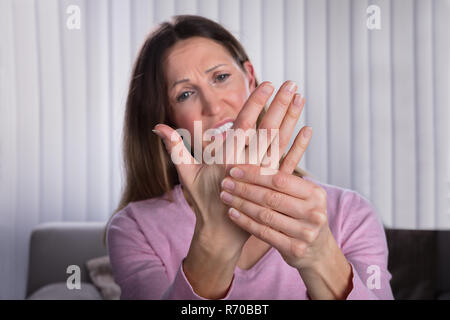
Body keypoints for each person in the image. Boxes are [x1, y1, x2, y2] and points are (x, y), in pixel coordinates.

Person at [105, 15, 394, 300]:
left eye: (221, 77)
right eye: (185, 94)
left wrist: (320, 257)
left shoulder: (349, 213)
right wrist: (214, 244)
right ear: (167, 117)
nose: (214, 106)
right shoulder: (135, 228)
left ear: (250, 77)